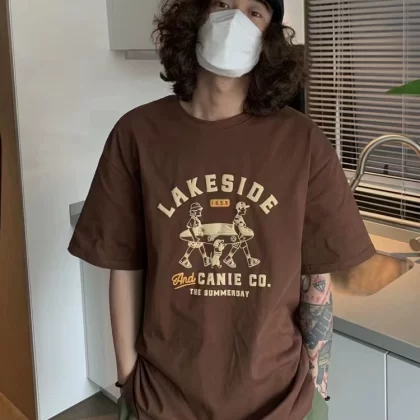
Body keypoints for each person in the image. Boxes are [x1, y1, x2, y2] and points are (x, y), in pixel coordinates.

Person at [68, 0, 376, 419]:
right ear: (195, 17)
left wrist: (317, 380)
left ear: (270, 34)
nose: (234, 20)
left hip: (278, 403)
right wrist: (127, 376)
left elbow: (316, 277)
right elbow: (125, 265)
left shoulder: (302, 141)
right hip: (162, 402)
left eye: (254, 11)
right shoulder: (137, 134)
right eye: (223, 4)